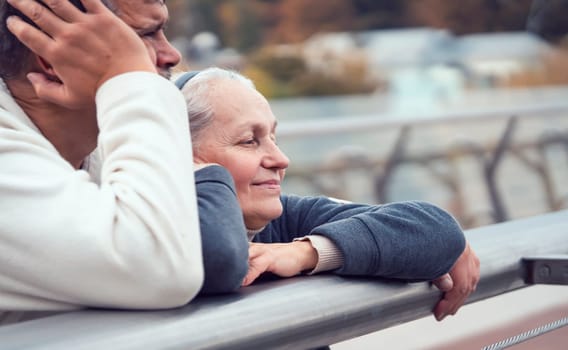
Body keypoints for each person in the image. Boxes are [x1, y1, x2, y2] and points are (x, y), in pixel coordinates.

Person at [176, 68, 480, 321]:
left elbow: (433, 229)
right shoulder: (158, 239)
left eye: (273, 137)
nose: (281, 159)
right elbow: (219, 256)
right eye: (248, 141)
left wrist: (303, 253)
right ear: (183, 157)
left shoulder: (284, 221)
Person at [0, 0, 205, 325]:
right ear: (55, 57)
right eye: (145, 36)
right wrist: (131, 79)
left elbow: (242, 222)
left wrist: (311, 249)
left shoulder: (103, 145)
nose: (172, 55)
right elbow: (159, 268)